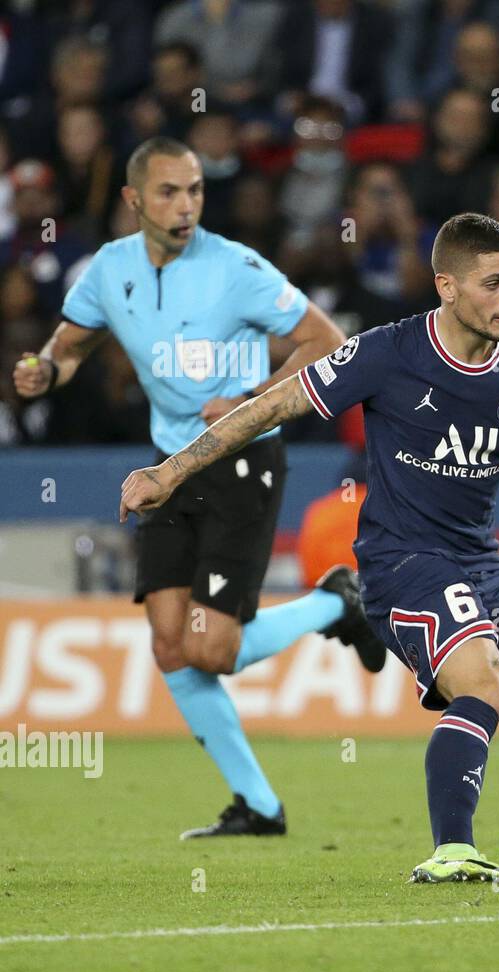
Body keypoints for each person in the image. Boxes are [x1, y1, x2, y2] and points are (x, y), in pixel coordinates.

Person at [121, 212, 499, 884]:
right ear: (446, 285)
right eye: (493, 282)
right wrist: (169, 471)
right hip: (401, 566)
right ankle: (452, 849)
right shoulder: (387, 352)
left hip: (481, 566)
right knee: (484, 680)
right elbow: (270, 409)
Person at [13, 137, 385, 840]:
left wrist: (254, 396)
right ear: (132, 201)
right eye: (168, 193)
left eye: (194, 191)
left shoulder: (237, 269)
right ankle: (260, 806)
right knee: (167, 643)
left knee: (211, 648)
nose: (185, 206)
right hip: (168, 463)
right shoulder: (108, 269)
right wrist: (43, 370)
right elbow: (68, 345)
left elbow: (331, 343)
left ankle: (333, 602)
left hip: (242, 461)